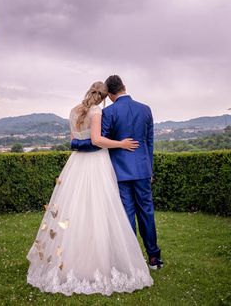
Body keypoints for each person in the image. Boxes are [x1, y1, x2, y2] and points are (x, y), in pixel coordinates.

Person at [26, 81, 153, 295]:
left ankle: (71, 256)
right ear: (104, 97)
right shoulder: (96, 112)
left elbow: (75, 140)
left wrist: (76, 145)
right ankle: (106, 257)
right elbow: (96, 140)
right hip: (96, 163)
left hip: (76, 164)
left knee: (75, 208)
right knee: (102, 207)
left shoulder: (74, 111)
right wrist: (121, 143)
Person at [71, 75, 163, 270]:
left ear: (110, 95)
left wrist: (76, 143)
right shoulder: (146, 109)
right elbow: (149, 142)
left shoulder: (109, 112)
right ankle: (154, 257)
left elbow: (98, 142)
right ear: (124, 87)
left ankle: (131, 259)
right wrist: (149, 168)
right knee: (147, 211)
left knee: (127, 213)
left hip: (119, 171)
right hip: (143, 170)